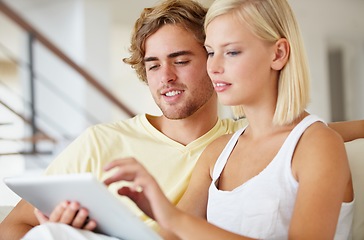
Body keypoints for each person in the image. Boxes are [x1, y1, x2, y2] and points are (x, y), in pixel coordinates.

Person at [0, 0, 361, 239]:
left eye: (183, 60)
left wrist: (167, 215)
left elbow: (302, 134)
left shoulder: (258, 141)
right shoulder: (217, 150)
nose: (165, 76)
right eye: (153, 65)